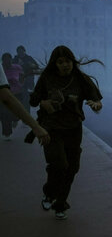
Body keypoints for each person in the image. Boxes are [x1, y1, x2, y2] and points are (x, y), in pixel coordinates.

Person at [29, 45, 103, 220]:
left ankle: (60, 203)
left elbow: (96, 101)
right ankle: (49, 192)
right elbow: (33, 100)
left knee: (72, 168)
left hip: (73, 129)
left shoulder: (80, 79)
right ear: (55, 64)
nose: (65, 65)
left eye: (68, 61)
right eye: (60, 62)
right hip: (51, 129)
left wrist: (96, 106)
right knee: (59, 164)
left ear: (73, 62)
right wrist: (43, 103)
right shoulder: (47, 78)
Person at [0, 63, 49, 144]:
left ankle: (15, 121)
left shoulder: (19, 65)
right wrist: (35, 126)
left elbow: (25, 74)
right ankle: (7, 132)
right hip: (8, 94)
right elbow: (6, 97)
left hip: (18, 91)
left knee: (12, 113)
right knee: (5, 115)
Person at [1, 53, 24, 140]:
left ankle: (15, 119)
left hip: (17, 93)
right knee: (4, 113)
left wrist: (20, 83)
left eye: (9, 59)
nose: (7, 61)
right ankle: (7, 133)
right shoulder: (1, 68)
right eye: (5, 59)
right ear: (2, 60)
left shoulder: (17, 67)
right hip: (4, 93)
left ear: (11, 60)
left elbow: (22, 76)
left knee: (16, 112)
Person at [13, 45, 40, 112]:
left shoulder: (29, 58)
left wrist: (32, 65)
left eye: (22, 51)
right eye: (19, 51)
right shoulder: (15, 59)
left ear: (24, 51)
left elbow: (36, 66)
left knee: (27, 98)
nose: (20, 52)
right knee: (20, 98)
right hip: (18, 81)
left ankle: (27, 113)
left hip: (28, 80)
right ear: (17, 52)